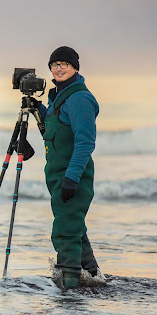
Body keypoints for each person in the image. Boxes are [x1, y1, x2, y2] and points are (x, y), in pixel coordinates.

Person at [32, 46, 101, 289]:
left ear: (75, 67)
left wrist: (71, 179)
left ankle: (69, 292)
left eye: (64, 64)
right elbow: (53, 128)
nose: (58, 68)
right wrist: (37, 109)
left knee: (65, 232)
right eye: (54, 64)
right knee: (75, 229)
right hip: (59, 176)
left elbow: (85, 143)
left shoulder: (79, 98)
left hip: (73, 177)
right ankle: (94, 279)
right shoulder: (61, 96)